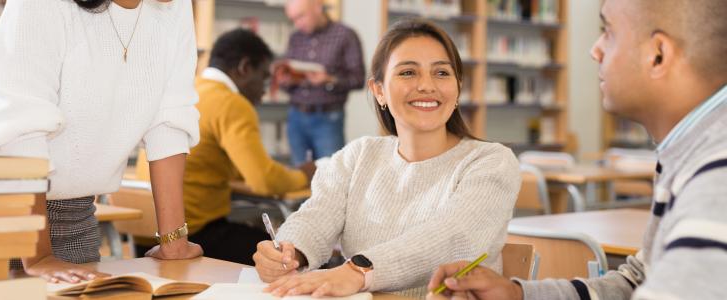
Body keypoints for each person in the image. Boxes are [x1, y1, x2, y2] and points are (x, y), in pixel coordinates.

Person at [427, 0, 727, 299]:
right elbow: (638, 281)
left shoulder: (716, 175)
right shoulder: (687, 152)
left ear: (657, 55)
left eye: (607, 32)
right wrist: (518, 295)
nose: (594, 50)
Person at [252, 19, 521, 298]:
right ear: (378, 90)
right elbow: (316, 216)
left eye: (441, 73)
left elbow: (454, 237)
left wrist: (358, 272)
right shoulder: (358, 156)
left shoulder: (493, 161)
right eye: (408, 72)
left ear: (458, 88)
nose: (427, 85)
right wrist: (288, 251)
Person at [0, 0, 203, 283]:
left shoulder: (175, 6)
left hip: (75, 212)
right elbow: (21, 126)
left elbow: (168, 119)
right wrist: (38, 258)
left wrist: (174, 242)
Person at [182, 29, 316, 266]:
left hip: (155, 233)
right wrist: (304, 175)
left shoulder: (189, 88)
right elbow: (263, 180)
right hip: (196, 235)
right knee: (298, 256)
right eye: (264, 78)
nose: (264, 92)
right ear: (244, 68)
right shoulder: (232, 104)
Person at [278, 0, 365, 166]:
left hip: (328, 119)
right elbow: (287, 78)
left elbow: (358, 79)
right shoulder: (295, 38)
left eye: (301, 16)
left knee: (332, 174)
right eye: (293, 19)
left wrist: (329, 80)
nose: (297, 23)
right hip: (295, 116)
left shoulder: (345, 35)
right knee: (299, 176)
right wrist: (285, 79)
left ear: (318, 7)